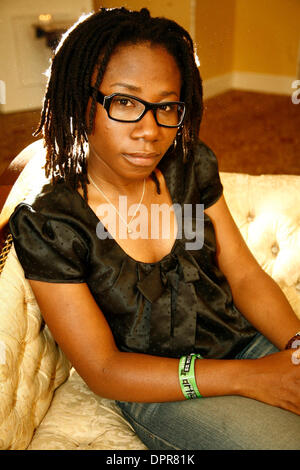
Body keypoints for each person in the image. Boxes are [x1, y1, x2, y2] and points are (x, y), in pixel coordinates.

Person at [8, 8, 300, 450]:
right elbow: (104, 368)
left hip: (243, 340)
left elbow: (244, 275)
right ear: (80, 99)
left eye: (166, 106)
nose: (151, 130)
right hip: (159, 387)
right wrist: (250, 378)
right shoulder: (50, 222)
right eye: (125, 102)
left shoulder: (188, 164)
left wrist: (296, 347)